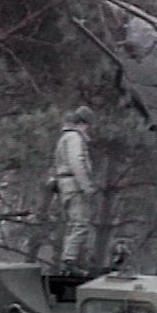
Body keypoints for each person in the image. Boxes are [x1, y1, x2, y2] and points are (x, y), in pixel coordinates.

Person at [52, 105, 96, 275]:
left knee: (73, 224)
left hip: (66, 184)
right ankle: (68, 263)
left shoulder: (64, 137)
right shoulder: (74, 138)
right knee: (80, 224)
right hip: (74, 185)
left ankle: (68, 261)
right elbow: (76, 162)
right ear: (83, 123)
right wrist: (86, 186)